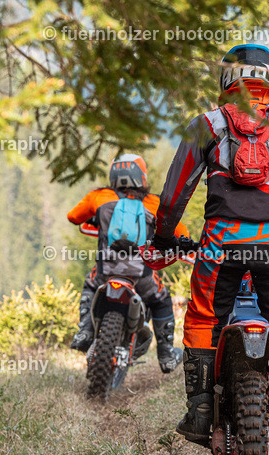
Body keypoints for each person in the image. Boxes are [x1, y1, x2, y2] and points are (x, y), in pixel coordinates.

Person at [151, 44, 269, 445]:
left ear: (226, 80)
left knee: (205, 317)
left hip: (220, 244)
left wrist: (166, 237)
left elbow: (173, 197)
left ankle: (202, 409)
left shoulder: (205, 126)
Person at [66, 154, 188, 374]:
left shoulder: (99, 197)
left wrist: (97, 216)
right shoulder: (154, 203)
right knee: (161, 299)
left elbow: (73, 216)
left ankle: (84, 331)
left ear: (113, 175)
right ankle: (167, 354)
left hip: (106, 272)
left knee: (90, 284)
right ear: (142, 176)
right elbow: (182, 234)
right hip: (141, 276)